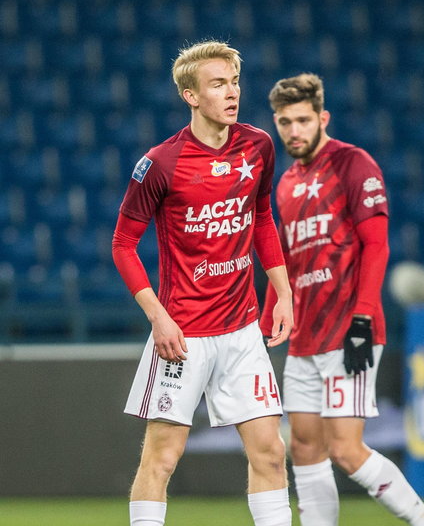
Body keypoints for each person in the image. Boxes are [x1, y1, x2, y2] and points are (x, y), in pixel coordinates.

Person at [113, 41, 295, 526]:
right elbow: (122, 245)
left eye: (235, 82)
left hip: (241, 334)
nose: (232, 93)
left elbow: (261, 218)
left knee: (271, 452)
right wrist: (159, 318)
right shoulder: (161, 163)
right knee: (163, 458)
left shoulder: (258, 146)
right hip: (183, 335)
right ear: (190, 96)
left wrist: (282, 292)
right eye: (218, 84)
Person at [259, 73, 424, 526]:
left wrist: (364, 317)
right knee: (304, 446)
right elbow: (282, 263)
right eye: (285, 122)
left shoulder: (353, 164)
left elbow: (376, 245)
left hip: (350, 331)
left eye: (303, 120)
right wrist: (268, 320)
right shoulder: (285, 184)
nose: (294, 131)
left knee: (346, 450)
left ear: (322, 117)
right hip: (305, 338)